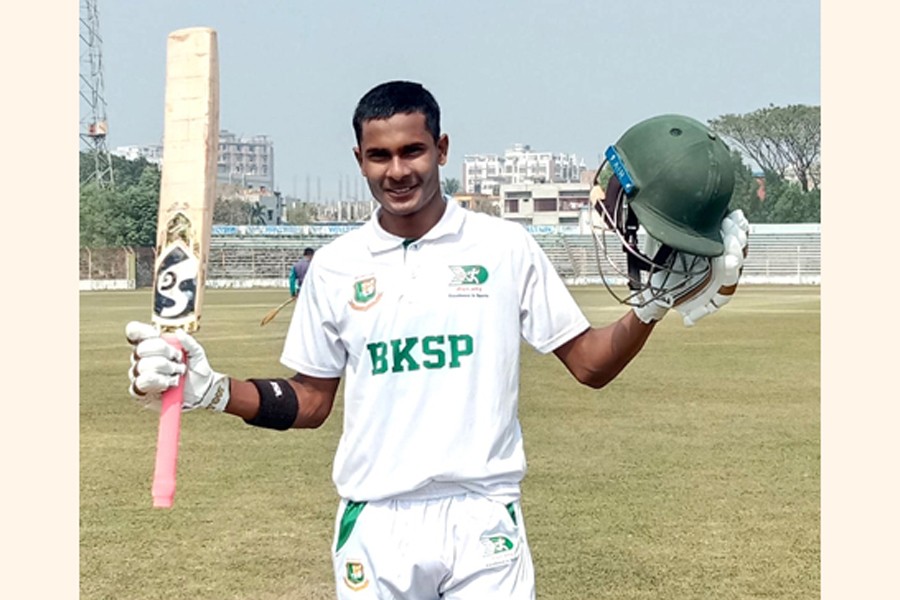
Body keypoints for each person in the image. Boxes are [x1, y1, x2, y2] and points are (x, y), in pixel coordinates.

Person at [127, 80, 749, 600]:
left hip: (483, 516)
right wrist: (210, 390)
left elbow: (589, 364)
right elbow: (310, 403)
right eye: (380, 156)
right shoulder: (337, 267)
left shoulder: (506, 249)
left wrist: (652, 305)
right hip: (377, 518)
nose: (398, 171)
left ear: (442, 149)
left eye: (413, 151)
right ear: (360, 159)